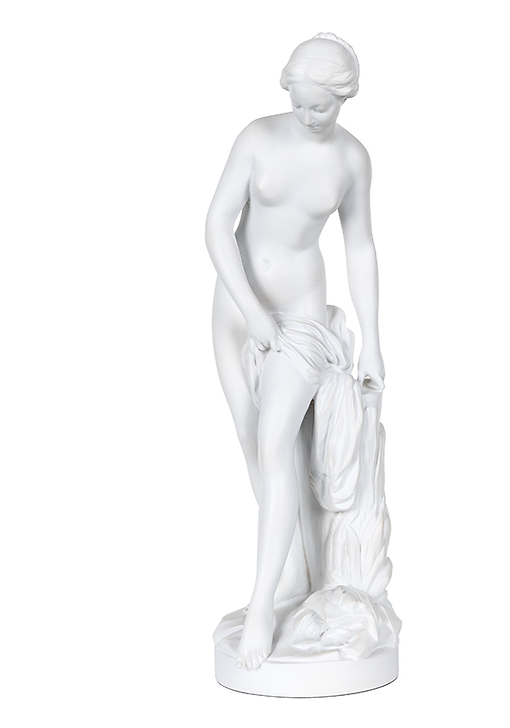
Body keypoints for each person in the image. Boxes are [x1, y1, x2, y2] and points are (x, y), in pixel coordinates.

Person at [206, 33, 384, 670]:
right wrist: (251, 312)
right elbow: (216, 226)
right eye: (301, 103)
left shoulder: (351, 159)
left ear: (344, 98)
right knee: (253, 443)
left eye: (322, 107)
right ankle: (293, 579)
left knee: (276, 441)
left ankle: (262, 607)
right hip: (237, 310)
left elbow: (359, 247)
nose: (310, 115)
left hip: (302, 320)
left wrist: (373, 341)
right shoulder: (256, 139)